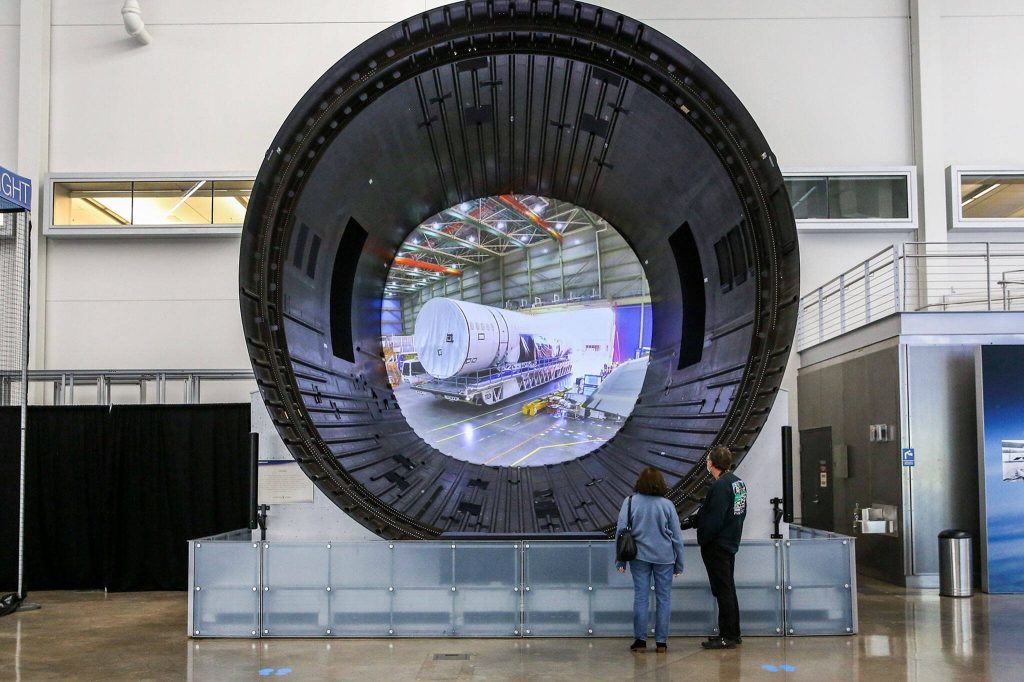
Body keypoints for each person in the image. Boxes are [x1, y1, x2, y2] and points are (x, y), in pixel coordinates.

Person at [615, 466, 686, 653]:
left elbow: (621, 532)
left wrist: (620, 561)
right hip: (665, 558)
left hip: (638, 557)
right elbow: (677, 538)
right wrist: (679, 564)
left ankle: (640, 641)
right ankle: (661, 642)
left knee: (641, 597)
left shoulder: (630, 502)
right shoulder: (667, 505)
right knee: (664, 599)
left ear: (640, 482)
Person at [696, 445, 747, 650]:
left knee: (723, 590)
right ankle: (733, 632)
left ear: (712, 463)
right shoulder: (738, 483)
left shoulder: (719, 487)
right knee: (728, 588)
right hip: (730, 542)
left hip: (717, 545)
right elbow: (739, 512)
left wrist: (704, 538)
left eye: (708, 460)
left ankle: (727, 636)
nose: (707, 463)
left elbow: (715, 519)